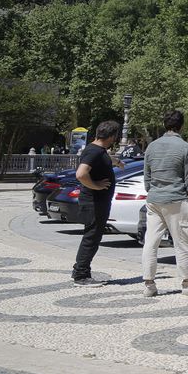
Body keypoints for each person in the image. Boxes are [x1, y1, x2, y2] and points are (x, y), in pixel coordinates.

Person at [142, 111, 188, 296]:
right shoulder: (186, 148)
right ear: (182, 125)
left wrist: (153, 191)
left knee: (151, 242)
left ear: (165, 124)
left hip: (154, 199)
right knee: (182, 243)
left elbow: (147, 177)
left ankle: (149, 284)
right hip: (176, 199)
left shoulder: (151, 147)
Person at [71, 119, 124, 286]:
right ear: (112, 136)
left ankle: (80, 270)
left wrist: (115, 162)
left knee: (93, 236)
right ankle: (81, 275)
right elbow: (81, 174)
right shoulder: (94, 151)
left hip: (98, 202)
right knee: (91, 238)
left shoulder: (98, 150)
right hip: (94, 202)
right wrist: (96, 186)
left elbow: (102, 160)